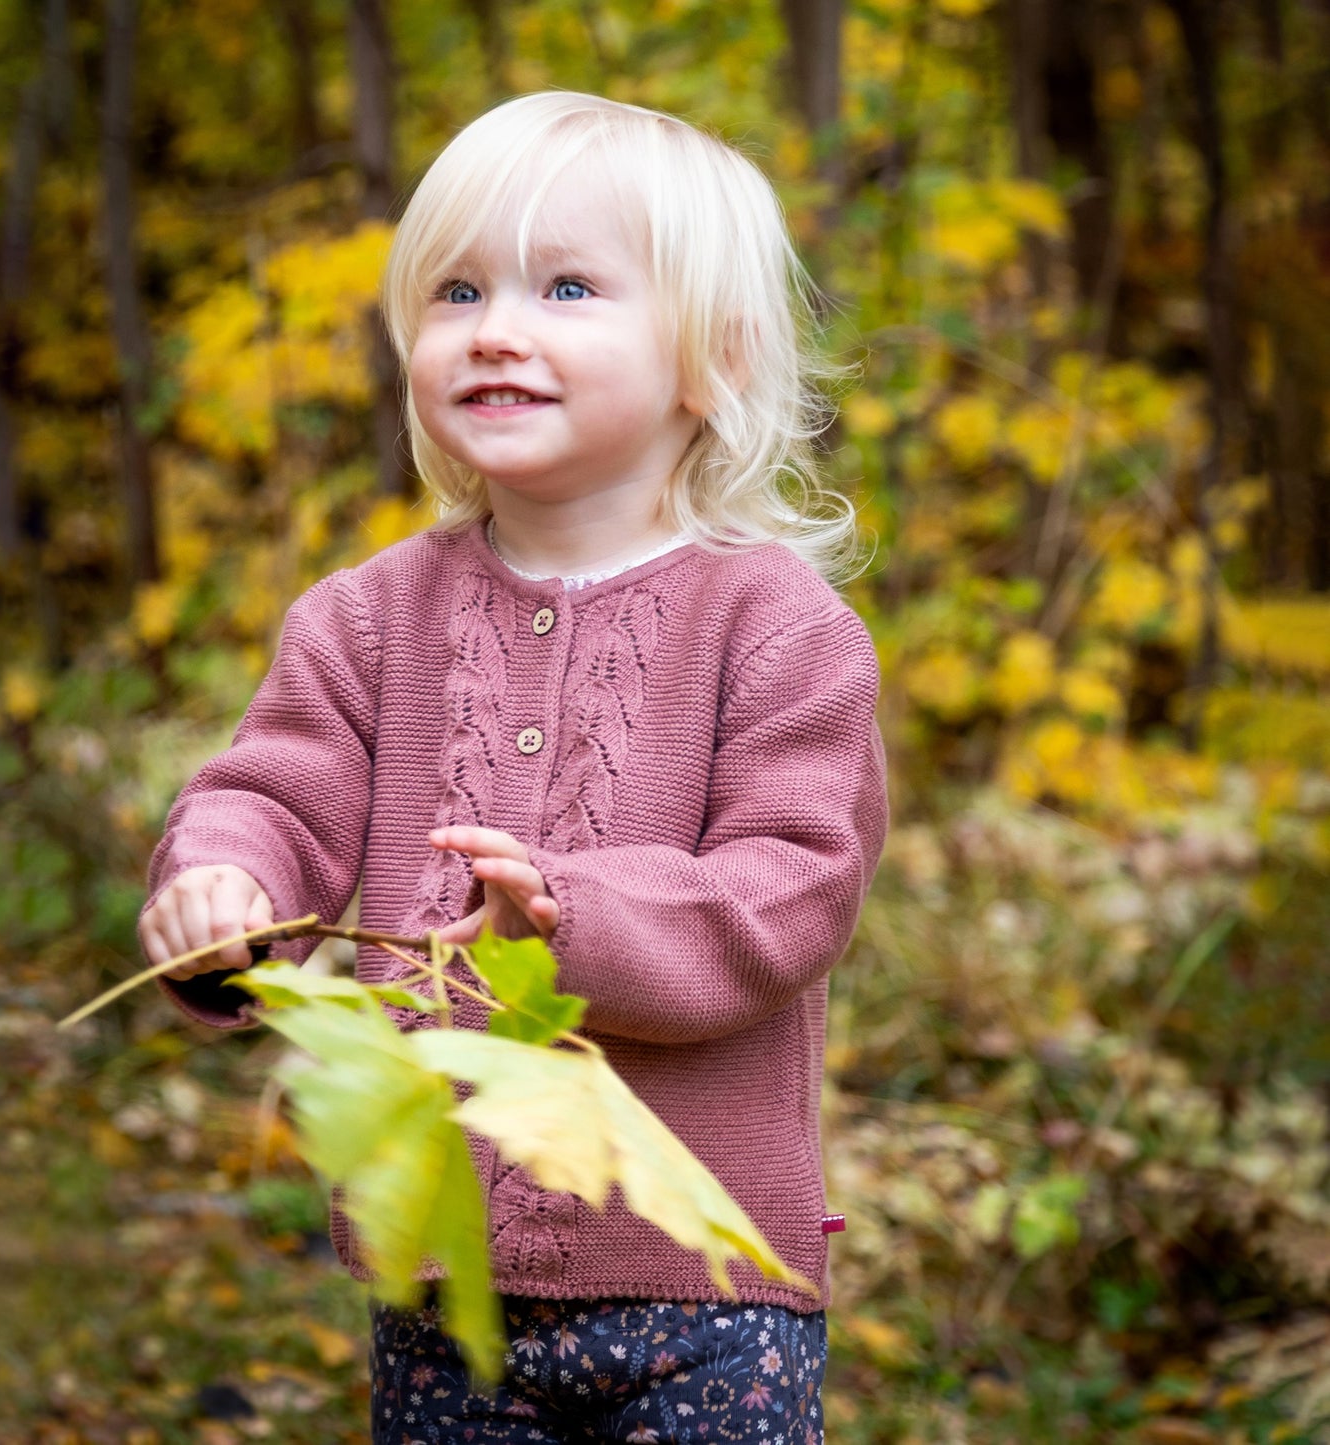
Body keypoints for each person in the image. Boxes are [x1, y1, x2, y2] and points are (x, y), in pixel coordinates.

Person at [139, 90, 889, 1445]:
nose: (496, 328)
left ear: (706, 359)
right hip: (443, 1286)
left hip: (708, 1292)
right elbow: (271, 791)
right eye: (457, 290)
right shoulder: (366, 617)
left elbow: (790, 888)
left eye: (566, 287)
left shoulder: (776, 626)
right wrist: (220, 886)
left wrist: (572, 919)